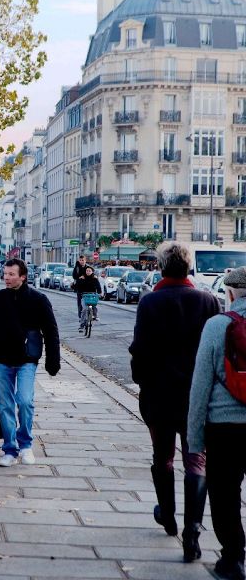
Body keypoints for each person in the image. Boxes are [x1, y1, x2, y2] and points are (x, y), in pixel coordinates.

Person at [129, 242, 220, 563]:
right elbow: (215, 351)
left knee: (162, 456)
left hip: (158, 393)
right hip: (197, 395)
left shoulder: (151, 302)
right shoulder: (208, 301)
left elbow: (139, 349)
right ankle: (192, 530)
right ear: (189, 267)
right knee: (196, 460)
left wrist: (141, 380)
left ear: (161, 267)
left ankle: (167, 514)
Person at [188, 266, 246, 580]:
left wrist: (195, 439)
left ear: (232, 293)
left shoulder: (217, 325)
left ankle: (233, 558)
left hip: (223, 426)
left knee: (225, 495)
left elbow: (200, 386)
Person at [0, 258, 60, 467]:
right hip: (3, 359)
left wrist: (53, 360)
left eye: (11, 274)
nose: (6, 277)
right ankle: (10, 448)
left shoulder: (38, 299)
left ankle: (25, 444)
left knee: (24, 401)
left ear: (23, 276)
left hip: (26, 359)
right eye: (5, 274)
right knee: (4, 405)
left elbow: (51, 331)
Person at [76, 265, 101, 332]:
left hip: (92, 296)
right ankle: (81, 325)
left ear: (92, 272)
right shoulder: (82, 278)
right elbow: (78, 286)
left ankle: (95, 316)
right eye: (87, 270)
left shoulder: (95, 279)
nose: (88, 272)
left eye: (89, 271)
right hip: (84, 296)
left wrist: (100, 292)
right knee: (84, 309)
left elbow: (98, 287)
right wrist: (79, 280)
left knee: (94, 306)